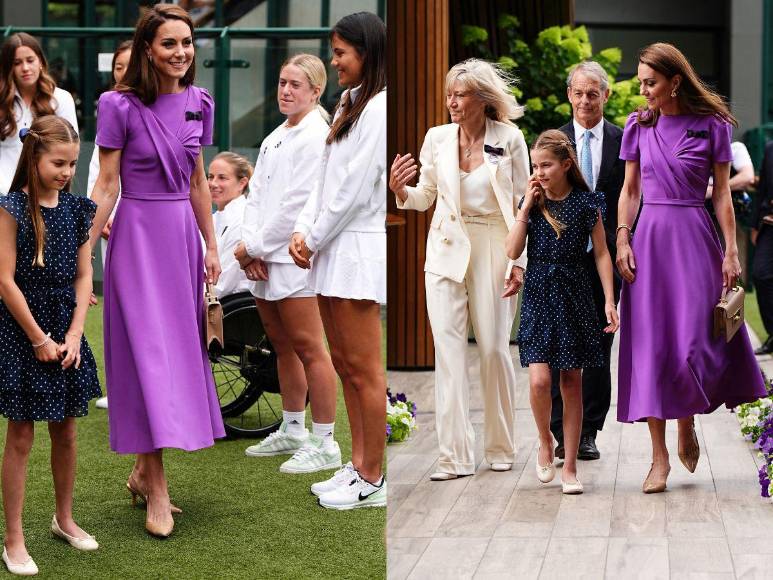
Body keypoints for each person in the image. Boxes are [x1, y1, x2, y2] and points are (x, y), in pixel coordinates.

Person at [88, 4, 225, 537]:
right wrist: (80, 246)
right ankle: (159, 489)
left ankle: (145, 472)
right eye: (169, 43)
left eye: (187, 43)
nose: (181, 52)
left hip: (181, 242)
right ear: (148, 49)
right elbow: (106, 183)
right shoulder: (116, 105)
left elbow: (196, 183)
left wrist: (210, 245)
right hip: (136, 238)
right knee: (146, 356)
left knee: (173, 358)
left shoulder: (199, 102)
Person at [616, 42, 766, 494]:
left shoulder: (711, 126)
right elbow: (630, 190)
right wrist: (623, 235)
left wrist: (731, 251)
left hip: (695, 240)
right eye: (641, 81)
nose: (643, 91)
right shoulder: (636, 126)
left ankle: (687, 422)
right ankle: (658, 457)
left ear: (675, 81)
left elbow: (721, 193)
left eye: (650, 82)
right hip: (649, 243)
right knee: (652, 348)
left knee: (692, 344)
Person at [390, 58, 529, 480]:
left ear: (483, 99)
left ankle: (501, 446)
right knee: (448, 356)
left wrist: (519, 261)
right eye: (449, 93)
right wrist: (400, 189)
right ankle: (454, 457)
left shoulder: (510, 138)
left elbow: (526, 202)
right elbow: (425, 195)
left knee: (491, 349)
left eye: (461, 94)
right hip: (447, 246)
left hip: (495, 245)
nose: (452, 101)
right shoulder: (437, 138)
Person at [290, 12, 387, 510]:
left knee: (365, 370)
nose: (334, 60)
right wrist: (304, 232)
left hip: (356, 251)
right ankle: (357, 464)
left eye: (341, 52)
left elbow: (352, 190)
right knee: (347, 365)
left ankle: (373, 477)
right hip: (330, 249)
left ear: (365, 53)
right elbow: (324, 181)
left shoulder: (379, 107)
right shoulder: (348, 103)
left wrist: (316, 235)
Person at [0, 116, 101, 576]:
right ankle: (14, 537)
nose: (66, 171)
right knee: (20, 434)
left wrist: (75, 334)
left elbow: (84, 277)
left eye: (73, 164)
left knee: (67, 428)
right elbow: (4, 280)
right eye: (58, 163)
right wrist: (38, 337)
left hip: (66, 327)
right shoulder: (11, 208)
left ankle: (64, 519)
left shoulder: (80, 208)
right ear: (34, 157)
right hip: (24, 331)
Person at [234, 54, 340, 475]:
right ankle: (293, 429)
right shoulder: (275, 134)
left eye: (296, 84)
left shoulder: (318, 135)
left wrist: (254, 247)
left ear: (316, 92)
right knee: (281, 346)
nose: (285, 90)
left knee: (311, 348)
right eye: (282, 82)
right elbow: (256, 196)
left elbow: (298, 204)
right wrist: (249, 249)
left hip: (293, 261)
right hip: (263, 260)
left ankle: (326, 441)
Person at [505, 129, 618, 495]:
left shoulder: (588, 202)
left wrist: (608, 300)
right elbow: (511, 250)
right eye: (535, 166)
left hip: (575, 293)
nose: (539, 172)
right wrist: (524, 207)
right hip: (538, 292)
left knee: (571, 383)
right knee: (539, 380)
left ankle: (569, 466)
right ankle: (543, 441)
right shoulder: (532, 202)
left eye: (546, 165)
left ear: (566, 164)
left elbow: (602, 253)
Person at [550, 61, 625, 462]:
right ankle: (562, 431)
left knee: (599, 347)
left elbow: (634, 198)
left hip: (607, 260)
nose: (584, 101)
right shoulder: (555, 142)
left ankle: (589, 431)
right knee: (560, 346)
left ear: (605, 95)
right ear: (569, 95)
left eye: (592, 93)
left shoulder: (623, 140)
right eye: (578, 93)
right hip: (561, 261)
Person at [86, 40, 132, 411]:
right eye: (118, 67)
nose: (123, 74)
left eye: (130, 66)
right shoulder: (109, 108)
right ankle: (119, 388)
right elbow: (99, 179)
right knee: (115, 311)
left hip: (134, 225)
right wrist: (97, 226)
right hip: (106, 226)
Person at [0, 33, 78, 195]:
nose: (25, 68)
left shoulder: (61, 99)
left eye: (30, 60)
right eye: (17, 63)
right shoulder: (2, 101)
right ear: (9, 68)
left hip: (46, 195)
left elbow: (71, 152)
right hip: (3, 194)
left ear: (41, 62)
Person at [208, 151, 252, 297]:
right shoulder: (215, 218)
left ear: (242, 183)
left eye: (222, 178)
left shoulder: (243, 220)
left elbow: (222, 283)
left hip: (232, 309)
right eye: (210, 177)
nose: (213, 184)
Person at [752, 141, 773, 355]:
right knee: (760, 274)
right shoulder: (769, 148)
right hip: (768, 223)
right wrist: (754, 224)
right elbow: (762, 189)